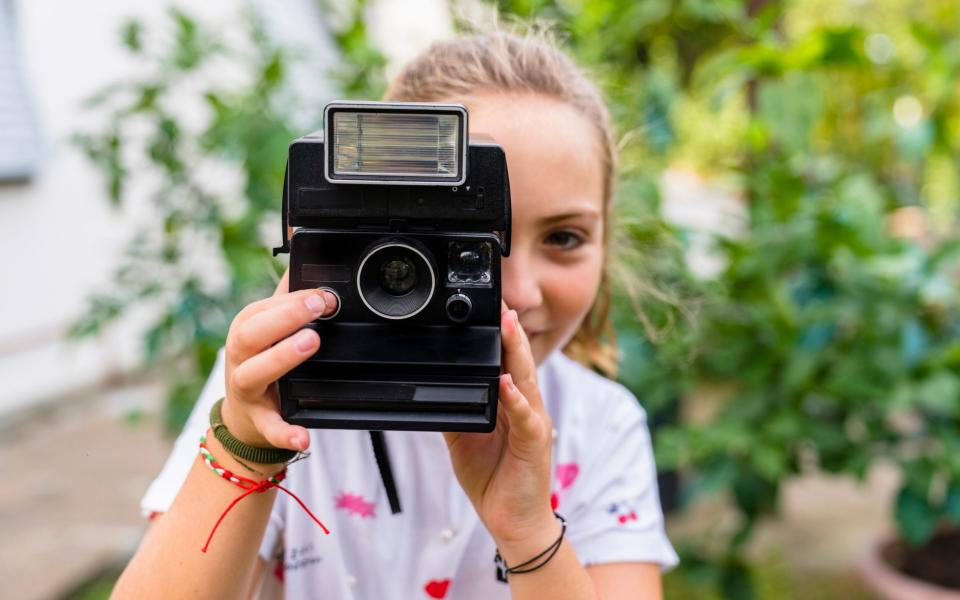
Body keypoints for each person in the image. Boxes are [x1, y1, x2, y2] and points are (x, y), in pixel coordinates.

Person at [112, 28, 678, 600]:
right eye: (472, 243)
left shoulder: (600, 424)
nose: (523, 290)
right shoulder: (274, 398)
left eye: (563, 236)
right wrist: (246, 447)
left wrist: (529, 532)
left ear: (607, 242)